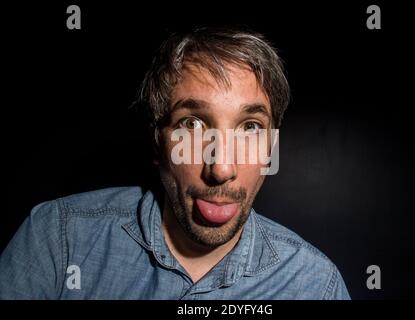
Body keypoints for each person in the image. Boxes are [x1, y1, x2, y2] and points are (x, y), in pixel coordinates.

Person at [0, 27, 350, 299]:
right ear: (158, 142)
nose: (221, 169)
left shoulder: (316, 285)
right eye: (193, 125)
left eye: (250, 128)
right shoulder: (58, 240)